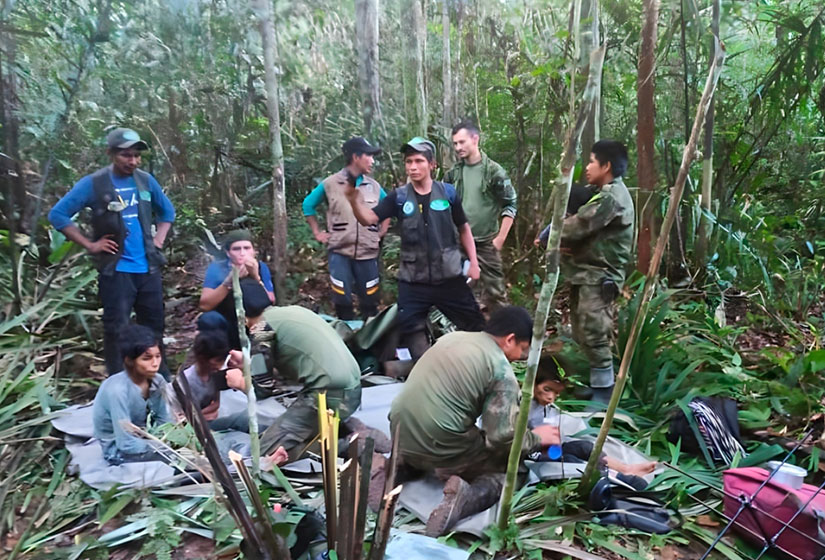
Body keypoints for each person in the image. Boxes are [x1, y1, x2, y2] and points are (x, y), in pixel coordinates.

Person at [388, 306, 560, 536]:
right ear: (510, 339)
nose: (520, 357)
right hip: (439, 442)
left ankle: (399, 467)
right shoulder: (500, 369)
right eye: (522, 349)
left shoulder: (453, 338)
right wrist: (537, 437)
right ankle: (466, 499)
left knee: (449, 432)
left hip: (399, 430)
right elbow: (501, 437)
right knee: (512, 471)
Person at [49, 128, 175, 377]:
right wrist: (90, 245)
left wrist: (158, 239)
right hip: (116, 270)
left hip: (148, 267)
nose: (133, 161)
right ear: (110, 154)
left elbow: (167, 213)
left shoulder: (145, 181)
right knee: (116, 328)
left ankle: (160, 376)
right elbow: (58, 214)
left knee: (154, 325)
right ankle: (120, 380)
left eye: (137, 156)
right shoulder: (94, 184)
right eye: (126, 155)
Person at [344, 137, 485, 359]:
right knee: (411, 326)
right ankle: (429, 369)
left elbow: (464, 229)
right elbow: (368, 219)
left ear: (432, 164)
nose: (412, 167)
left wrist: (474, 263)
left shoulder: (448, 193)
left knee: (475, 324)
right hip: (413, 280)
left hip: (449, 276)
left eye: (419, 161)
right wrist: (353, 201)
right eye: (408, 161)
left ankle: (479, 367)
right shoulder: (398, 197)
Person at [534, 140, 635, 403]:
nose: (587, 167)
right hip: (587, 273)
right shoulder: (602, 192)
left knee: (594, 333)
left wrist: (549, 235)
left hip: (600, 276)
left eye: (591, 161)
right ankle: (595, 384)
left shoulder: (611, 198)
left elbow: (577, 226)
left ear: (607, 165)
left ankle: (603, 396)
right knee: (581, 331)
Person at [249, 305, 362, 460]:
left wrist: (243, 381)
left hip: (327, 395)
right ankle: (340, 435)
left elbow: (263, 387)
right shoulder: (294, 311)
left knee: (264, 455)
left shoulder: (261, 326)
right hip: (352, 389)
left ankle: (346, 446)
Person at [303, 137, 390, 320]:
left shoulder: (374, 186)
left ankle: (370, 338)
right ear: (356, 157)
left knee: (370, 299)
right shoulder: (330, 184)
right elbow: (308, 205)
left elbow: (388, 207)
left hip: (368, 252)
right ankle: (345, 337)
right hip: (340, 252)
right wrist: (317, 233)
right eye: (369, 156)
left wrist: (382, 230)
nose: (372, 161)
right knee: (342, 298)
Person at [528, 354, 657, 477]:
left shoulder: (543, 407)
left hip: (547, 450)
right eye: (547, 389)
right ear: (532, 382)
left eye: (557, 393)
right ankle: (613, 477)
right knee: (569, 460)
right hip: (531, 456)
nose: (551, 397)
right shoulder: (520, 406)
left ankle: (624, 469)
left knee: (585, 447)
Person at [443, 120, 517, 312]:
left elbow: (510, 203)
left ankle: (502, 336)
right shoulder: (452, 174)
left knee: (496, 295)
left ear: (475, 139)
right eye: (455, 144)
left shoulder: (494, 171)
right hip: (457, 243)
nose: (458, 147)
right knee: (455, 293)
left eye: (462, 142)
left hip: (485, 243)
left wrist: (500, 239)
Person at [92, 324, 173, 465]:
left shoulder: (158, 380)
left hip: (148, 438)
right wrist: (162, 447)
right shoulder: (117, 391)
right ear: (129, 361)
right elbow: (126, 443)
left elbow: (164, 420)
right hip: (118, 449)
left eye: (158, 356)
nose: (155, 364)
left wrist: (171, 439)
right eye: (147, 358)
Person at [198, 230, 275, 348]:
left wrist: (256, 277)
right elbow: (205, 305)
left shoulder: (261, 267)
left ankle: (262, 354)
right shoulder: (218, 268)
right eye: (236, 249)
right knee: (208, 320)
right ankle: (221, 358)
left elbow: (270, 300)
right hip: (227, 318)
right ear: (228, 253)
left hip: (254, 319)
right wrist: (229, 281)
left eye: (247, 248)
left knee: (266, 322)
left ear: (254, 251)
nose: (242, 253)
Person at [168, 329, 250, 433]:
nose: (220, 366)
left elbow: (216, 404)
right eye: (217, 361)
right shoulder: (185, 382)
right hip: (191, 430)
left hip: (205, 421)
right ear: (202, 358)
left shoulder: (215, 375)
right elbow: (181, 419)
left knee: (244, 419)